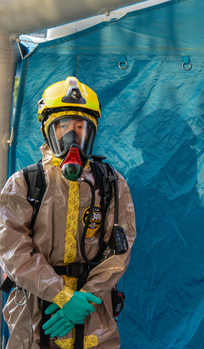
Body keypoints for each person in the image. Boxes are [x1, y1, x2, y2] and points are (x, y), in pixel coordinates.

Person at [0, 77, 136, 348]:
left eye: (80, 127)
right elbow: (12, 250)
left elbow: (119, 251)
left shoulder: (110, 183)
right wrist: (62, 296)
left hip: (92, 310)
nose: (73, 136)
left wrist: (84, 300)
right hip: (36, 311)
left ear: (92, 132)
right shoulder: (25, 183)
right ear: (47, 131)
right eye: (63, 127)